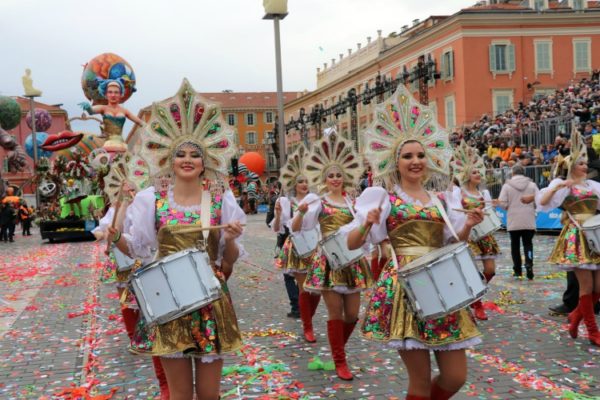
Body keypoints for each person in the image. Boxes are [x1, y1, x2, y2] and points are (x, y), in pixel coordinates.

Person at [110, 80, 245, 399]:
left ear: (204, 161)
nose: (188, 159)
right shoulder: (150, 200)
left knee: (210, 395)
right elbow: (139, 250)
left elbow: (227, 263)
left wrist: (232, 239)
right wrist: (116, 237)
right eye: (181, 154)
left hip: (210, 300)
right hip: (169, 300)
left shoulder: (220, 200)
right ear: (170, 160)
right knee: (181, 395)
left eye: (194, 155)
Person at [347, 88, 483, 399]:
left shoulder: (441, 199)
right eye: (408, 156)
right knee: (419, 384)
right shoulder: (382, 197)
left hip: (443, 285)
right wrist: (367, 223)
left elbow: (452, 242)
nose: (416, 161)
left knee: (455, 377)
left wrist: (469, 227)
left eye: (420, 155)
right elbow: (355, 244)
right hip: (407, 289)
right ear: (395, 162)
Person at [291, 132, 372, 381]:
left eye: (339, 175)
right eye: (331, 175)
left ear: (344, 177)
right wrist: (301, 213)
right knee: (335, 313)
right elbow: (295, 228)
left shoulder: (354, 202)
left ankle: (339, 349)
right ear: (324, 178)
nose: (335, 179)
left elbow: (361, 230)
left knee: (353, 315)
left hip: (353, 261)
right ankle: (340, 361)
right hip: (328, 261)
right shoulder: (318, 201)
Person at [537, 129, 600, 346]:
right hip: (577, 235)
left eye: (585, 163)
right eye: (581, 163)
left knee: (598, 288)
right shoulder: (562, 185)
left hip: (594, 236)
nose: (585, 166)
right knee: (586, 287)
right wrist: (560, 187)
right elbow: (543, 203)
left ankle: (575, 317)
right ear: (572, 165)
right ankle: (592, 331)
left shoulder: (593, 186)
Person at [449, 141, 500, 321]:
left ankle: (475, 294)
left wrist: (491, 207)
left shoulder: (484, 194)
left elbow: (489, 215)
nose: (478, 174)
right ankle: (477, 304)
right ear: (466, 175)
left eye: (479, 171)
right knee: (472, 272)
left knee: (490, 270)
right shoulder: (458, 192)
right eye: (474, 172)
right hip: (468, 235)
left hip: (484, 236)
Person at [272, 146, 319, 322]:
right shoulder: (285, 201)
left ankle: (304, 308)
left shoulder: (315, 200)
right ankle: (298, 308)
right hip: (294, 244)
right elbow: (278, 228)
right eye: (300, 181)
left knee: (312, 283)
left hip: (312, 244)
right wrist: (277, 215)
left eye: (306, 181)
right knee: (293, 279)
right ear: (294, 184)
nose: (304, 185)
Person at [79, 79, 145, 153]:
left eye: (116, 92)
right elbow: (91, 111)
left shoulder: (124, 111)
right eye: (110, 92)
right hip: (108, 145)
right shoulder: (103, 108)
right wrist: (88, 107)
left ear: (120, 94)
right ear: (106, 94)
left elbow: (141, 123)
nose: (113, 95)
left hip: (121, 145)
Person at [497, 164, 539, 279]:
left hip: (513, 220)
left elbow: (502, 203)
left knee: (515, 246)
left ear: (513, 173)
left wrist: (508, 207)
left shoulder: (507, 186)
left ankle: (517, 269)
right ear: (523, 172)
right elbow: (538, 200)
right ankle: (529, 264)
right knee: (528, 244)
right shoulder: (532, 185)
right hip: (529, 219)